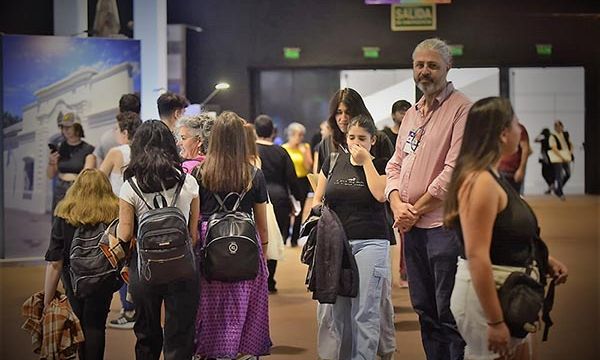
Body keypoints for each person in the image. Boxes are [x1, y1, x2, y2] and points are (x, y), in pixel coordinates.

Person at [444, 96, 569, 359]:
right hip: (486, 298)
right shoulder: (481, 182)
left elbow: (504, 234)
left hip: (506, 289)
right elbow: (477, 255)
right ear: (503, 133)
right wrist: (495, 321)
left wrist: (543, 260)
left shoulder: (494, 177)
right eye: (515, 124)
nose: (519, 130)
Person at [385, 38, 471, 360]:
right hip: (413, 229)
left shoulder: (462, 108)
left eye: (432, 65)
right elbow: (394, 165)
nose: (424, 71)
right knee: (424, 310)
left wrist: (414, 211)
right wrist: (396, 203)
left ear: (447, 68)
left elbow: (454, 172)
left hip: (442, 228)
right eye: (419, 65)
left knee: (449, 313)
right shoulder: (411, 114)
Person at [316, 87, 396, 360]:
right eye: (352, 137)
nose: (356, 142)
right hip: (336, 242)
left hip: (371, 239)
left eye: (362, 138)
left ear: (373, 139)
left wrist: (367, 162)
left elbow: (380, 194)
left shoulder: (382, 156)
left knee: (367, 309)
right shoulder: (331, 156)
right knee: (337, 311)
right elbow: (318, 199)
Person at [117, 120, 200, 359]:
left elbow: (124, 234)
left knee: (146, 333)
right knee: (181, 333)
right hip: (183, 266)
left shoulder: (130, 186)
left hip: (144, 270)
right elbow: (192, 236)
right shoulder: (189, 182)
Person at [193, 111, 272, 359]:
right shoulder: (254, 174)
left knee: (210, 303)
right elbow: (262, 223)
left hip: (209, 243)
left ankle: (210, 349)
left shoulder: (200, 173)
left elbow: (194, 219)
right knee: (244, 302)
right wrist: (264, 252)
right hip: (246, 244)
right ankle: (242, 350)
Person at [43, 169, 119, 360]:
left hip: (73, 280)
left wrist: (47, 298)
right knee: (96, 325)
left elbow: (55, 262)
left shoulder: (64, 214)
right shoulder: (115, 211)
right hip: (104, 279)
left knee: (79, 324)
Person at [99, 111, 141, 330]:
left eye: (117, 129)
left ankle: (128, 310)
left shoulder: (116, 153)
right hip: (140, 213)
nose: (115, 133)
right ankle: (136, 307)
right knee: (137, 261)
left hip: (119, 214)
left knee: (121, 260)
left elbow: (98, 178)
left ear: (125, 131)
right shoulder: (143, 151)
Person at [255, 114, 301, 293]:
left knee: (258, 238)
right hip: (280, 199)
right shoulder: (281, 151)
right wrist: (297, 198)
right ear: (273, 132)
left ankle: (258, 279)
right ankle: (270, 279)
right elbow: (292, 178)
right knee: (275, 239)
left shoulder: (251, 150)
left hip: (258, 199)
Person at [47, 112, 96, 213]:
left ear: (77, 128)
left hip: (78, 190)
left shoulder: (88, 149)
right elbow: (50, 175)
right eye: (63, 127)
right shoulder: (60, 148)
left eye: (69, 127)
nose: (65, 130)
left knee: (75, 223)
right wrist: (51, 162)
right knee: (58, 224)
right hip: (59, 189)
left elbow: (87, 177)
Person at [282, 122, 313, 247]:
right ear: (291, 134)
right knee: (287, 209)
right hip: (288, 181)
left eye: (302, 135)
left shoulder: (305, 147)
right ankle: (284, 237)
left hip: (302, 181)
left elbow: (308, 166)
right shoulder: (284, 148)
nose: (300, 138)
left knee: (299, 210)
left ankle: (295, 238)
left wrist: (304, 153)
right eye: (298, 135)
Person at [95, 93, 141, 164]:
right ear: (139, 112)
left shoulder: (106, 138)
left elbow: (99, 169)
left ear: (119, 110)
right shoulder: (148, 137)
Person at [498, 121, 531, 193]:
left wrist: (521, 169)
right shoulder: (498, 128)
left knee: (514, 198)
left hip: (513, 171)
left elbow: (526, 149)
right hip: (499, 169)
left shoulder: (519, 129)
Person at [548, 120, 573, 200]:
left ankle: (558, 189)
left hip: (566, 155)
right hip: (558, 158)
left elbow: (570, 144)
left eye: (560, 126)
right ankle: (560, 193)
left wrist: (570, 152)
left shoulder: (565, 134)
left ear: (562, 126)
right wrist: (562, 157)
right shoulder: (552, 136)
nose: (558, 128)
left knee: (568, 174)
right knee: (559, 175)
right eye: (556, 126)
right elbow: (554, 148)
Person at [534, 128, 555, 194]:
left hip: (545, 158)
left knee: (544, 173)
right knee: (551, 173)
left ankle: (551, 185)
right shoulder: (551, 139)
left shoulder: (543, 139)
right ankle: (551, 186)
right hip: (551, 158)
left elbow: (535, 140)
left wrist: (540, 135)